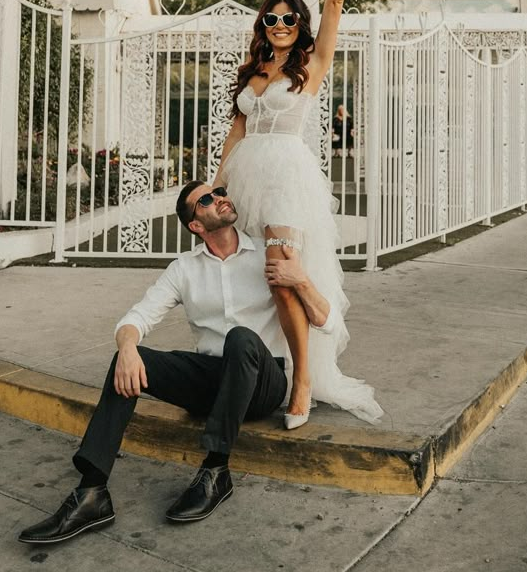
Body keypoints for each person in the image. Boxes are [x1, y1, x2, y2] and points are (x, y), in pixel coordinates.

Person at [18, 179, 335, 544]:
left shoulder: (269, 252)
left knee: (241, 338)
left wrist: (302, 280)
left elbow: (326, 321)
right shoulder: (184, 268)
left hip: (263, 381)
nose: (220, 199)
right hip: (212, 382)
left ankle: (216, 471)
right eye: (206, 200)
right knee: (130, 359)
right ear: (195, 226)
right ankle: (92, 492)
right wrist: (127, 348)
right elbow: (136, 318)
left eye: (219, 193)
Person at [213, 0, 384, 429]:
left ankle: (304, 379)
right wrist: (215, 185)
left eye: (290, 18)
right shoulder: (253, 71)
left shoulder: (309, 67)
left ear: (300, 26)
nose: (282, 25)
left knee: (282, 272)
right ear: (263, 25)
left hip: (286, 174)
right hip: (246, 173)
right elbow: (235, 133)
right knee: (254, 278)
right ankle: (264, 369)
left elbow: (334, 2)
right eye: (273, 18)